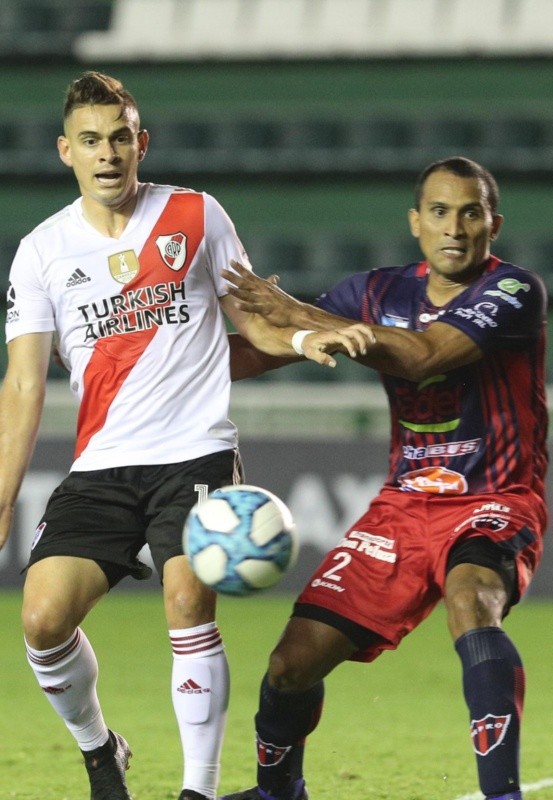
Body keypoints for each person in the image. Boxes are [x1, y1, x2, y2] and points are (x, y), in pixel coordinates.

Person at [0, 71, 368, 800]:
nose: (107, 154)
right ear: (64, 151)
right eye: (90, 141)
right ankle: (101, 750)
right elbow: (23, 383)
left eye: (119, 138)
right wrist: (2, 495)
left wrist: (303, 338)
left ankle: (197, 790)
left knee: (187, 604)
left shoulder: (196, 215)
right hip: (103, 462)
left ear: (141, 142)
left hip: (194, 450)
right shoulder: (41, 251)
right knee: (42, 620)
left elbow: (253, 316)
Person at [219, 156, 549, 800]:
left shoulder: (514, 291)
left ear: (494, 224)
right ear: (415, 223)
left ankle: (500, 795)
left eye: (471, 212)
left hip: (495, 498)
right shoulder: (374, 293)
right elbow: (261, 350)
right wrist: (139, 361)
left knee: (470, 599)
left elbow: (427, 357)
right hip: (402, 508)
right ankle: (277, 793)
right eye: (439, 212)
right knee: (290, 665)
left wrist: (298, 311)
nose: (455, 227)